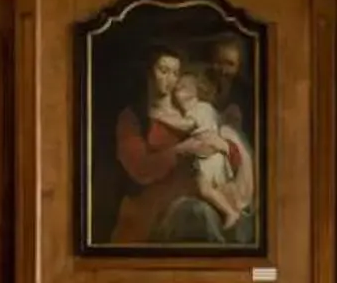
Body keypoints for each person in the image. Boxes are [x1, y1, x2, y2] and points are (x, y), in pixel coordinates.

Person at [108, 42, 256, 246]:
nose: (170, 79)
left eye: (175, 73)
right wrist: (181, 150)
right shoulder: (134, 117)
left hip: (204, 192)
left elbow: (231, 154)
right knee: (195, 214)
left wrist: (224, 146)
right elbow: (139, 168)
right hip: (156, 206)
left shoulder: (193, 109)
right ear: (149, 72)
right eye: (163, 71)